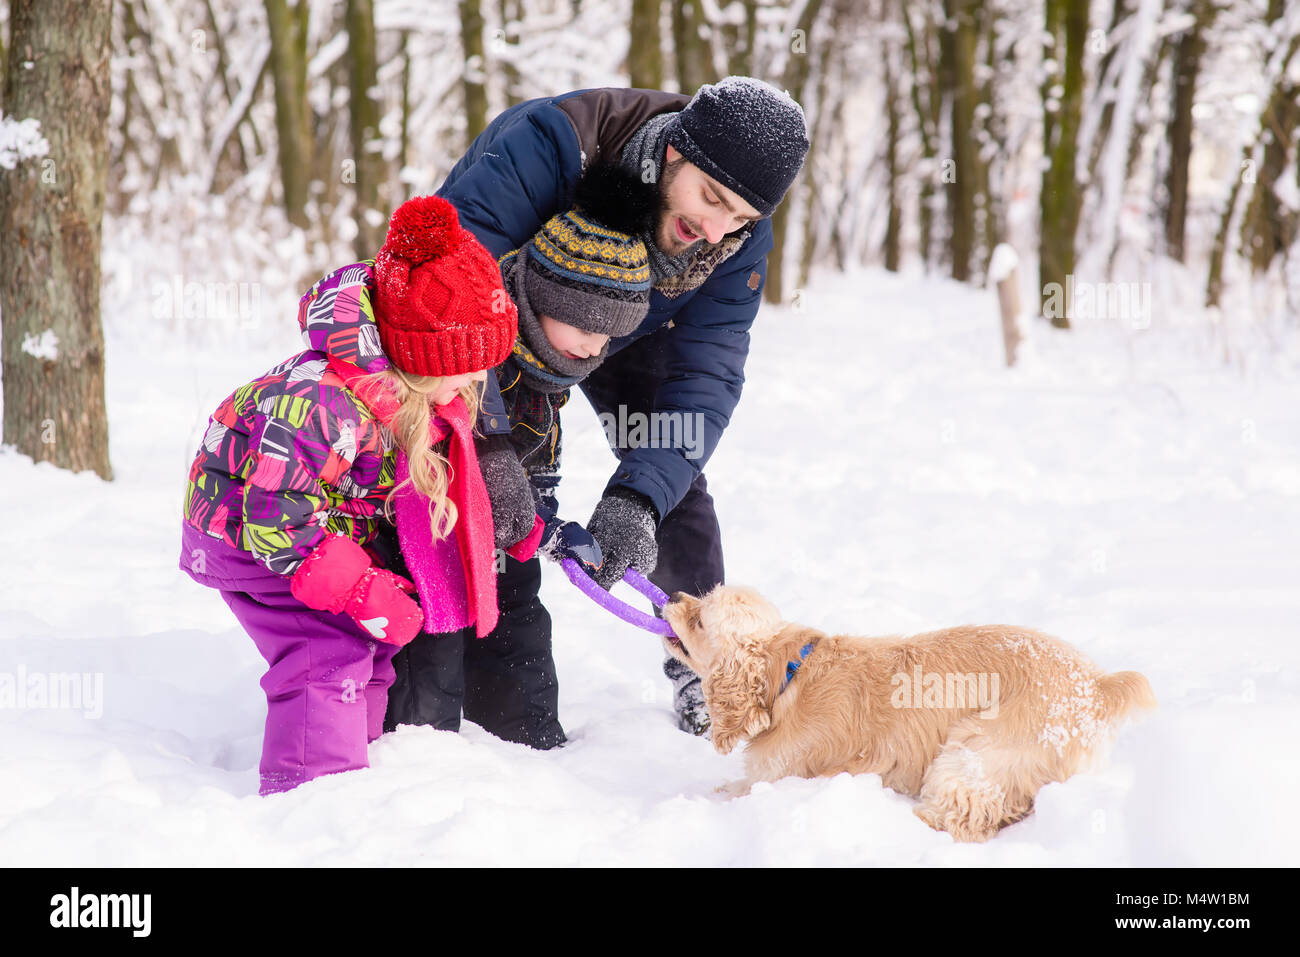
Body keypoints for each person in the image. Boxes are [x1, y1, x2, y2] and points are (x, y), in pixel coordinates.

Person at [441, 77, 810, 735]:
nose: (716, 230)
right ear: (673, 154)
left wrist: (638, 500)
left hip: (634, 329)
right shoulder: (551, 146)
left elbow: (708, 370)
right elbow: (449, 290)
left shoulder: (736, 233)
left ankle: (701, 663)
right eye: (711, 199)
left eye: (742, 219)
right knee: (475, 474)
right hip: (507, 314)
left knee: (670, 480)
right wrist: (492, 445)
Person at [178, 195, 542, 795]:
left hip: (315, 530)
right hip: (245, 536)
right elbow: (274, 520)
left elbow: (451, 481)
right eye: (470, 365)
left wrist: (509, 524)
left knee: (369, 645)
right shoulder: (320, 406)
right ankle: (310, 793)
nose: (480, 380)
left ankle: (359, 774)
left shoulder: (405, 396)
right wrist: (359, 584)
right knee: (329, 653)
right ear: (423, 358)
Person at [384, 163, 662, 746]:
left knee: (521, 628)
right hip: (429, 532)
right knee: (433, 646)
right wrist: (488, 457)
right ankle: (415, 751)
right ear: (539, 301)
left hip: (503, 542)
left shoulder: (548, 373)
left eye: (608, 337)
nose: (593, 347)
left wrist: (552, 529)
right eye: (584, 327)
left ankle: (528, 745)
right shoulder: (472, 340)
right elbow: (427, 420)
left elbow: (530, 483)